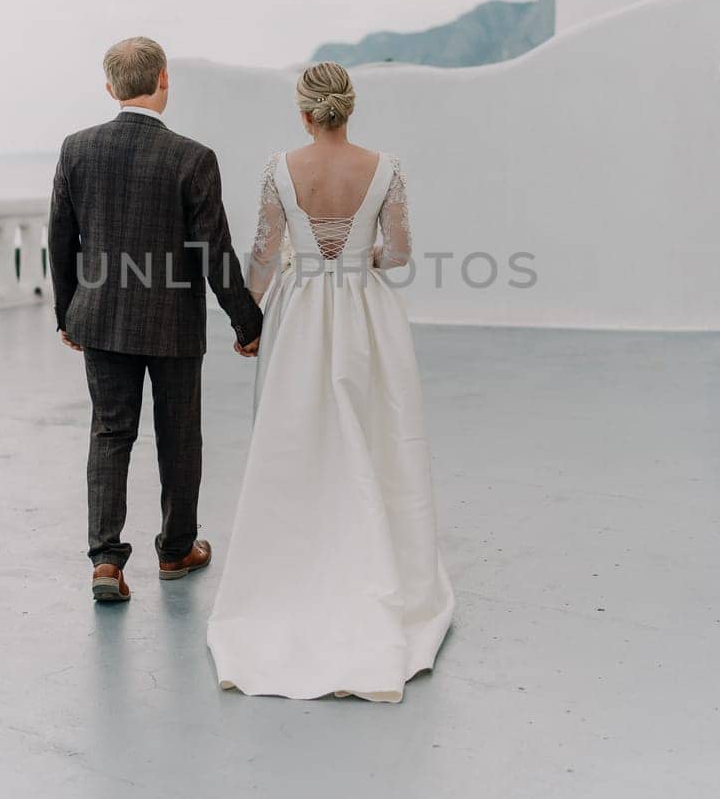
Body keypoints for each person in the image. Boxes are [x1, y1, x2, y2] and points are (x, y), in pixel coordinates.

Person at [206, 61, 454, 702]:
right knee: (372, 435)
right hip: (365, 314)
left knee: (295, 436)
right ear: (350, 108)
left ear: (304, 112)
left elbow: (262, 254)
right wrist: (360, 255)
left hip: (301, 312)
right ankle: (373, 569)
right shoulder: (386, 166)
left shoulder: (280, 167)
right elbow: (397, 254)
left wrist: (248, 319)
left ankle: (294, 567)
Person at [47, 36, 263, 603]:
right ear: (164, 79)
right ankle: (175, 551)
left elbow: (60, 242)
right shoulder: (193, 157)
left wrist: (67, 313)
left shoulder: (76, 149)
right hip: (172, 324)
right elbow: (214, 250)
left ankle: (106, 564)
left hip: (101, 320)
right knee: (179, 436)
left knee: (110, 432)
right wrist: (247, 321)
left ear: (110, 86)